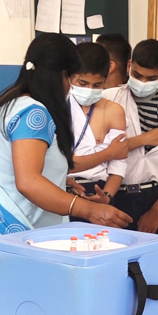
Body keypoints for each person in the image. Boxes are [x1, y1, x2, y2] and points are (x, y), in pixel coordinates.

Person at [0, 33, 131, 267]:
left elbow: (12, 165)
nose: (70, 88)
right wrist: (88, 209)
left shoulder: (2, 104)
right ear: (62, 75)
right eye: (72, 79)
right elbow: (28, 182)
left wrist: (58, 178)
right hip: (21, 234)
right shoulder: (34, 113)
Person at [104, 38, 158, 234]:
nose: (143, 83)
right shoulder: (109, 98)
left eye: (151, 78)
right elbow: (100, 151)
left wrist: (157, 211)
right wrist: (143, 140)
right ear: (129, 66)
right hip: (113, 193)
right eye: (137, 75)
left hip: (154, 196)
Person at [66, 42, 128, 210]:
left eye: (97, 85)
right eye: (82, 83)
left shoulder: (114, 111)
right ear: (70, 76)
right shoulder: (56, 107)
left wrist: (107, 196)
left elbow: (118, 163)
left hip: (97, 188)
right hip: (60, 187)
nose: (89, 90)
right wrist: (108, 153)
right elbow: (58, 162)